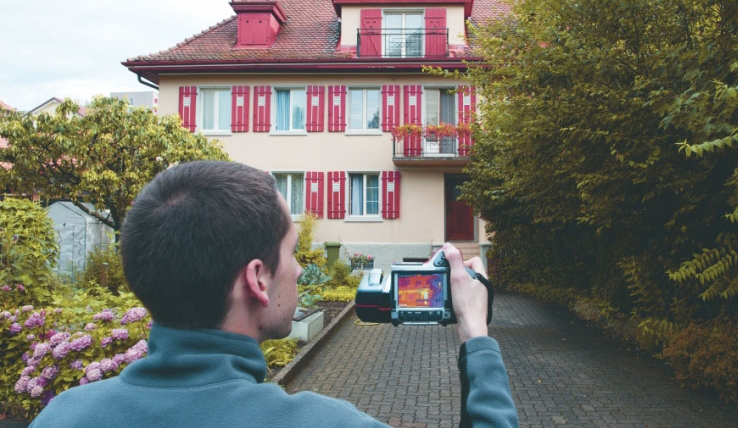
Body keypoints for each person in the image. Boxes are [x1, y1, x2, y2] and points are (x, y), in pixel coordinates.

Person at [32, 161, 518, 427]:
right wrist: (476, 337)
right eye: (291, 251)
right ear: (257, 279)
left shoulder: (63, 416)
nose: (301, 267)